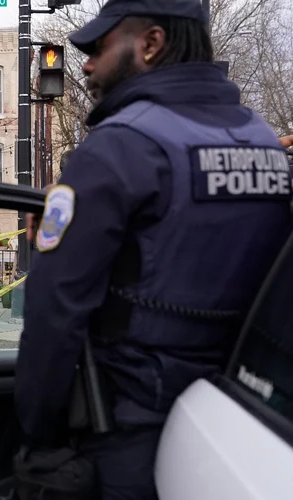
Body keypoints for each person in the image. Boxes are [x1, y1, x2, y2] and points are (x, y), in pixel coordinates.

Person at [15, 0, 293, 498]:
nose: (86, 63)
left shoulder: (116, 148)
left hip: (133, 432)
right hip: (247, 415)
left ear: (150, 44)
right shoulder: (265, 145)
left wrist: (38, 437)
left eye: (99, 46)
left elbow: (53, 311)